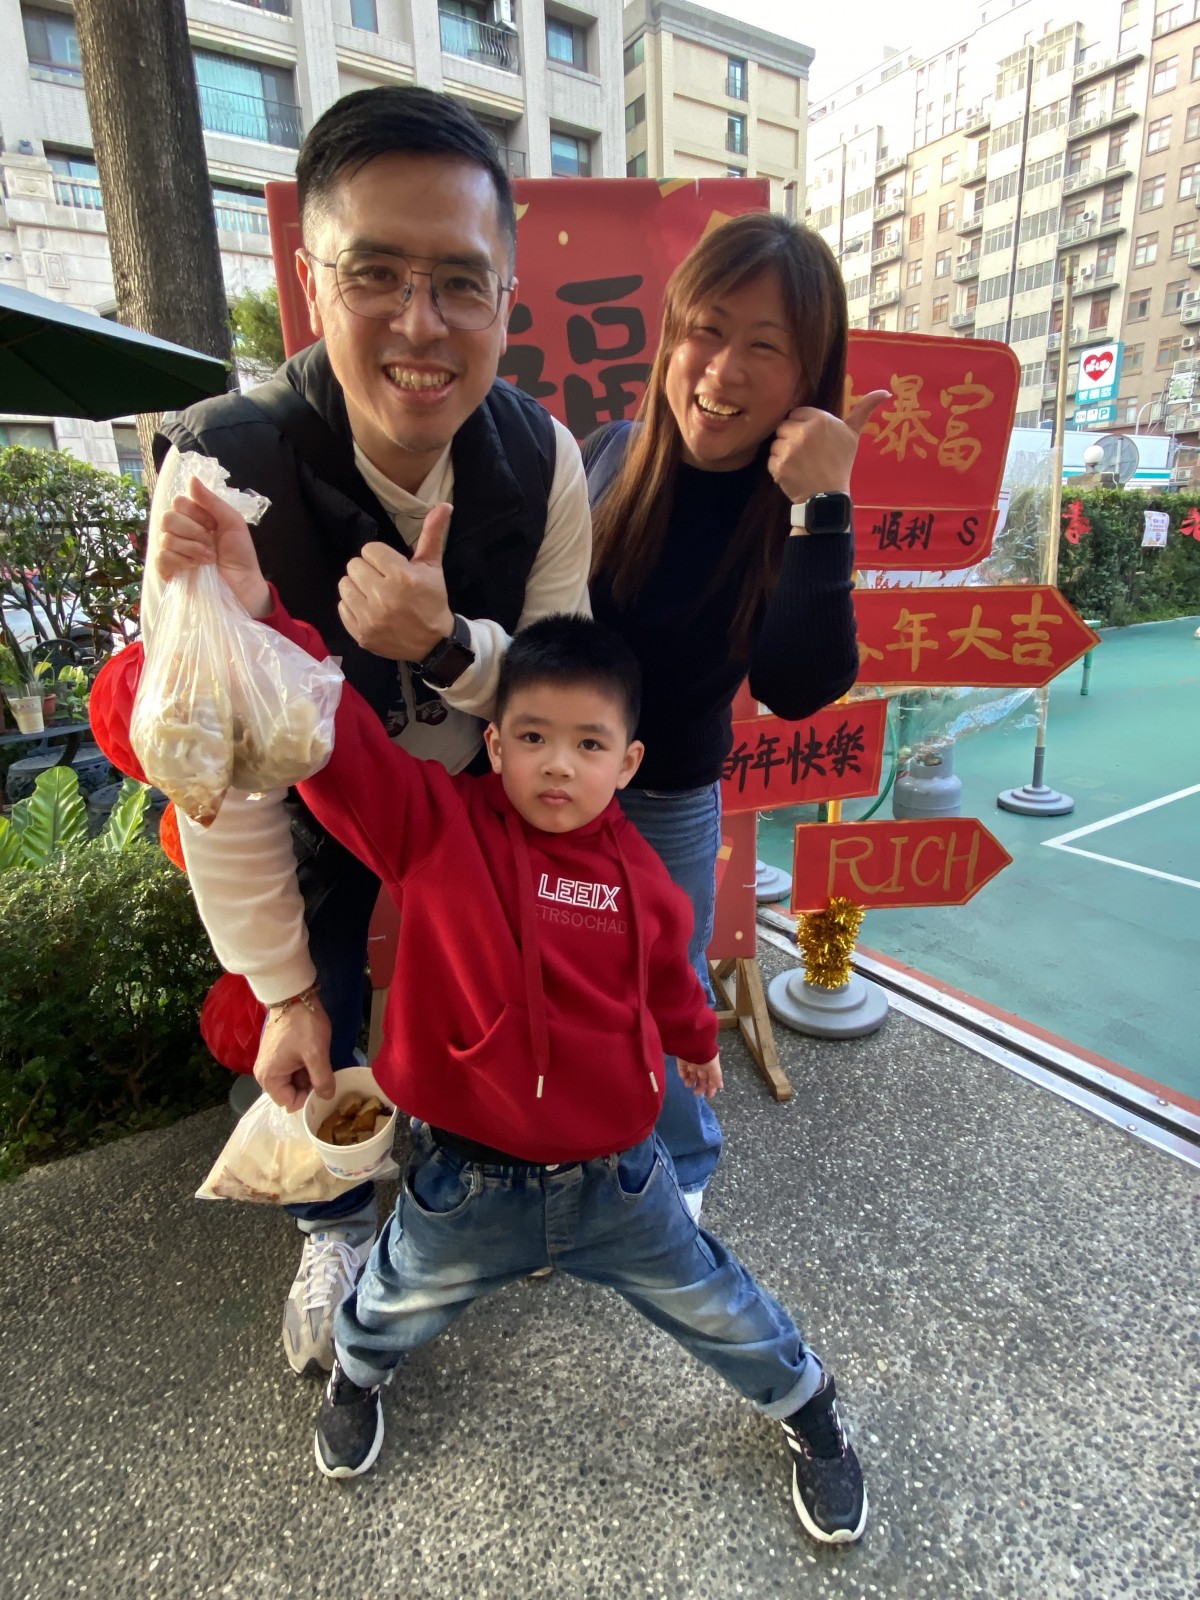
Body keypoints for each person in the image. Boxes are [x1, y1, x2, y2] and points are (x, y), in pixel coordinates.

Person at [155, 480, 869, 1545]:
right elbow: (337, 740)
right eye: (532, 735)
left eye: (589, 743)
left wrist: (693, 1045)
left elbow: (669, 979)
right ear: (493, 744)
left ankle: (809, 1404)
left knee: (717, 1304)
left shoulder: (647, 882)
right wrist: (263, 614)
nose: (558, 764)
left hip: (620, 1181)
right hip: (463, 1183)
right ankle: (354, 1378)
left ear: (628, 762)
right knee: (390, 1301)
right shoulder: (434, 830)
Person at [139, 87, 592, 1378]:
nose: (419, 323)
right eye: (375, 274)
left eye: (459, 282)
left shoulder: (540, 458)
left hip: (476, 805)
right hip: (311, 807)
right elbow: (215, 775)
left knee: (496, 1005)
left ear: (505, 297)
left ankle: (483, 1174)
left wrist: (447, 648)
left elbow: (565, 703)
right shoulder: (218, 471)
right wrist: (278, 988)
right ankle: (332, 1223)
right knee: (321, 1019)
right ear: (309, 283)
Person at [583, 213, 886, 1215]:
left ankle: (682, 1176)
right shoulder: (609, 452)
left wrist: (824, 506)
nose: (721, 368)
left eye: (765, 345)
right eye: (706, 330)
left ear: (807, 376)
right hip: (547, 793)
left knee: (665, 995)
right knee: (562, 990)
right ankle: (566, 1161)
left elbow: (800, 685)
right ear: (672, 336)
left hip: (665, 800)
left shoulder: (787, 506)